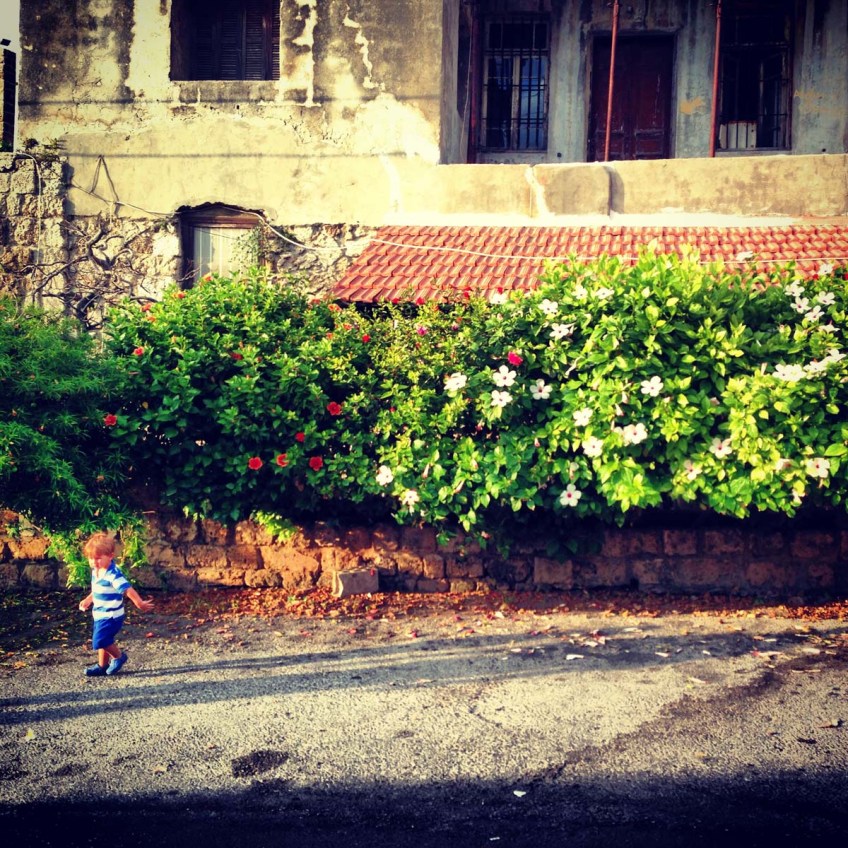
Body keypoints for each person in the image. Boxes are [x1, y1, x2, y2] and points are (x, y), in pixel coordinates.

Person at [78, 532, 154, 677]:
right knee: (103, 640)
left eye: (98, 558)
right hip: (100, 613)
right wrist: (89, 599)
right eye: (91, 559)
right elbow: (97, 590)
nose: (94, 562)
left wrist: (139, 602)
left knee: (100, 640)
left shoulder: (113, 574)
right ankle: (102, 666)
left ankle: (119, 657)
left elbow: (127, 589)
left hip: (111, 615)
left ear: (110, 556)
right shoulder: (97, 571)